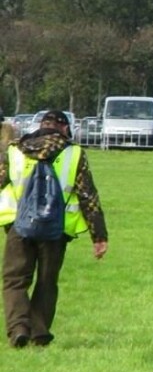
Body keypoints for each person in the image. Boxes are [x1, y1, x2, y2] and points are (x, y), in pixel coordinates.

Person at [0, 110, 108, 348]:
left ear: (41, 125)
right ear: (65, 129)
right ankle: (39, 332)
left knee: (15, 280)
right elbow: (88, 196)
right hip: (54, 230)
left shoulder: (15, 149)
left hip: (20, 226)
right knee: (47, 281)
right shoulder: (74, 153)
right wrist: (99, 236)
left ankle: (18, 328)